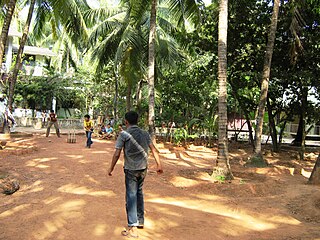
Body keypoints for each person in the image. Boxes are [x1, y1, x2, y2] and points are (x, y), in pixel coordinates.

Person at [108, 111, 163, 238]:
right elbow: (153, 149)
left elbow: (117, 153)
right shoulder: (145, 133)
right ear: (137, 120)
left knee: (131, 196)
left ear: (126, 121)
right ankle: (140, 221)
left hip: (131, 169)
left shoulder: (124, 134)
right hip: (143, 169)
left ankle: (133, 227)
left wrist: (110, 168)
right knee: (139, 193)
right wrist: (159, 165)